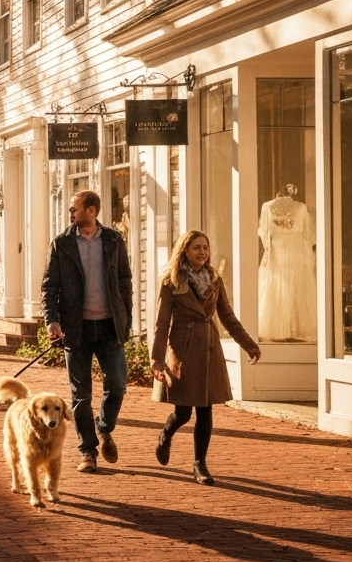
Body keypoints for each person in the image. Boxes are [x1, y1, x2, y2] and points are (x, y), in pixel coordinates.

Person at [151, 230, 261, 485]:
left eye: (205, 248)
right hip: (183, 349)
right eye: (197, 248)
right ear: (185, 251)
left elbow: (228, 316)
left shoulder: (214, 279)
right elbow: (161, 323)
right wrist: (157, 359)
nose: (202, 252)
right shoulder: (171, 281)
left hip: (210, 348)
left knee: (205, 409)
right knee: (183, 412)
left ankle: (199, 464)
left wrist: (249, 345)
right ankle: (165, 435)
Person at [42, 190, 133, 474]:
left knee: (117, 384)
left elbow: (124, 280)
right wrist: (52, 320)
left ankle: (104, 428)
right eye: (71, 210)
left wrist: (125, 316)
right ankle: (88, 451)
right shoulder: (62, 244)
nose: (71, 214)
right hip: (76, 328)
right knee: (80, 395)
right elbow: (50, 287)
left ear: (91, 211)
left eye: (75, 209)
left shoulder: (113, 240)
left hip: (108, 327)